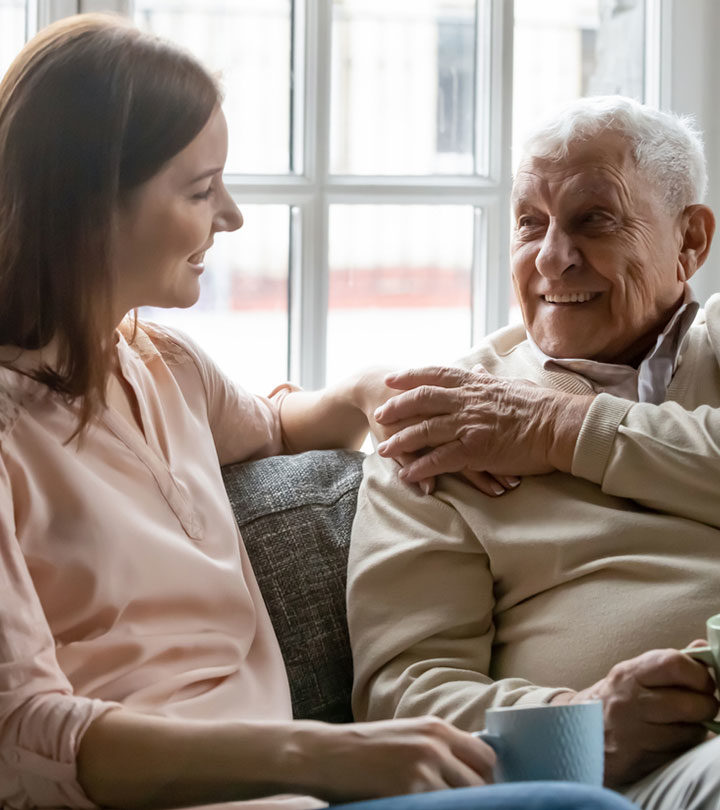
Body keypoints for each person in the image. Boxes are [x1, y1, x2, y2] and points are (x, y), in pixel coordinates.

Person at [0, 13, 638, 810]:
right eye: (201, 190)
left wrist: (381, 392)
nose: (230, 217)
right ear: (88, 202)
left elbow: (284, 423)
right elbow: (22, 732)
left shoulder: (165, 369)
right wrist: (323, 753)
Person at [347, 95, 720, 810]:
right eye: (530, 224)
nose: (553, 257)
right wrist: (581, 721)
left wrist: (564, 430)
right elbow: (404, 694)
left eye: (595, 219)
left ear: (690, 241)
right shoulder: (442, 428)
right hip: (643, 777)